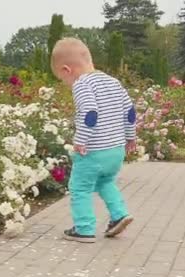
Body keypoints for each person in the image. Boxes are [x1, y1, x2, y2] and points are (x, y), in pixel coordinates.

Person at [50, 38, 136, 243]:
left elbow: (90, 112)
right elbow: (130, 112)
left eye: (62, 79)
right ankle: (119, 215)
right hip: (116, 149)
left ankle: (84, 228)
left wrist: (80, 140)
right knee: (105, 181)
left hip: (94, 150)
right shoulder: (113, 81)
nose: (66, 84)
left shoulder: (82, 84)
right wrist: (131, 136)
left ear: (66, 70)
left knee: (79, 188)